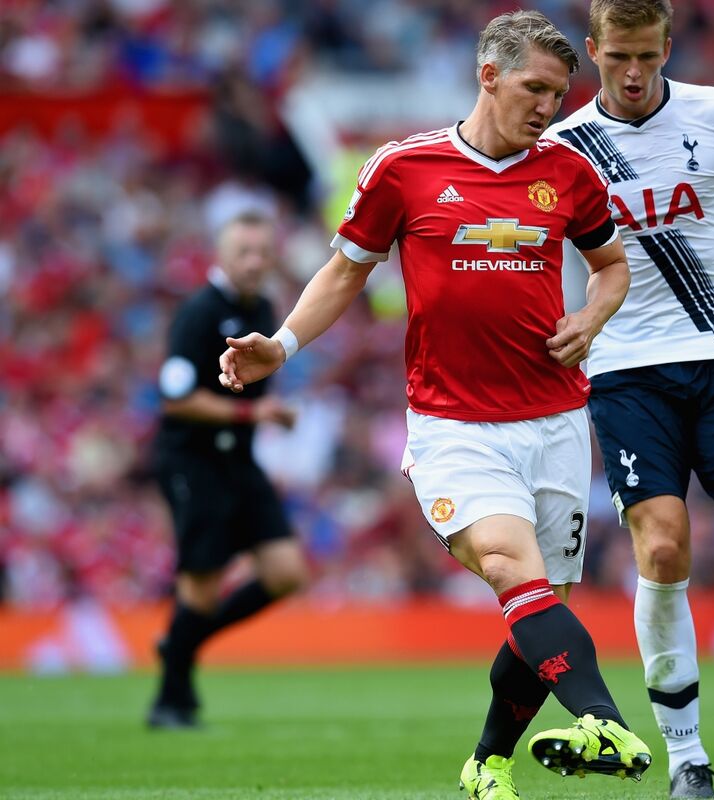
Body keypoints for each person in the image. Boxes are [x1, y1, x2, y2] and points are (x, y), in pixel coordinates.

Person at [216, 11, 652, 797]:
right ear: (489, 76)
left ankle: (488, 763)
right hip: (455, 426)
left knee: (539, 612)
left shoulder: (570, 173)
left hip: (556, 422)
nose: (548, 107)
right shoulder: (403, 168)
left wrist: (592, 316)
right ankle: (605, 721)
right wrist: (280, 346)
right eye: (534, 88)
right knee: (510, 567)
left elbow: (612, 266)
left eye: (558, 94)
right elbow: (345, 272)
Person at [547, 1, 714, 796]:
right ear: (593, 50)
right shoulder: (563, 148)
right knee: (663, 550)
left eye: (648, 55)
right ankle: (687, 758)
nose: (634, 74)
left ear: (668, 46)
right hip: (625, 373)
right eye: (617, 58)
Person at [148, 210, 309, 729]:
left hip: (238, 460)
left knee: (285, 573)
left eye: (263, 252)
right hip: (193, 460)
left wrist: (266, 412)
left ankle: (181, 642)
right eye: (244, 252)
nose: (255, 262)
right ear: (220, 255)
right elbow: (175, 399)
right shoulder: (198, 313)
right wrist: (253, 413)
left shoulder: (262, 308)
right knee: (202, 584)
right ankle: (171, 701)